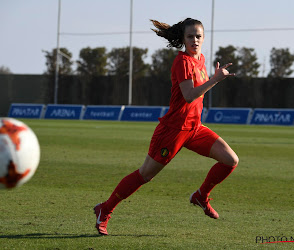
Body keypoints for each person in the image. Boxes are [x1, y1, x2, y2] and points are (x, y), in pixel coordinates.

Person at [94, 18, 239, 236]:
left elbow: (197, 93)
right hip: (173, 131)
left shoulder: (200, 59)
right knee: (145, 175)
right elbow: (189, 95)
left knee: (230, 160)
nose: (195, 40)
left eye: (198, 36)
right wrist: (215, 80)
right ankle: (105, 209)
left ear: (204, 38)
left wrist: (212, 79)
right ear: (183, 39)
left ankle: (200, 196)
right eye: (190, 36)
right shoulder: (182, 62)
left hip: (195, 128)